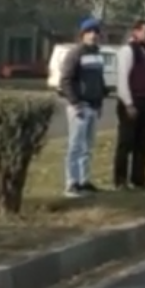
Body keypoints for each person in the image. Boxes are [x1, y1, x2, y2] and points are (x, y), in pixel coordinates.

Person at [58, 17, 106, 197]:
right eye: (89, 32)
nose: (93, 35)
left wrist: (100, 103)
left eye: (96, 32)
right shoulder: (75, 53)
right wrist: (75, 102)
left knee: (88, 147)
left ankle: (84, 181)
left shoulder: (97, 54)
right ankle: (71, 183)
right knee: (75, 146)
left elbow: (99, 81)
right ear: (83, 35)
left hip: (93, 106)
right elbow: (65, 80)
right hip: (79, 106)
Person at [113, 19, 145, 189]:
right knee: (126, 142)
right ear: (136, 31)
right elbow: (123, 79)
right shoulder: (128, 50)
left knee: (142, 143)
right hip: (131, 101)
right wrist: (129, 103)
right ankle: (120, 180)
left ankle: (139, 178)